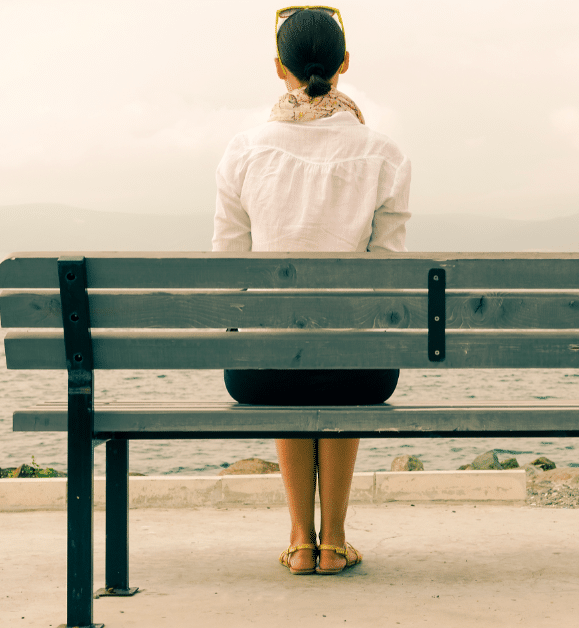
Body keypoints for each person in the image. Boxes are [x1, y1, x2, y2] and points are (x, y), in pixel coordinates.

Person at [212, 6, 411, 575]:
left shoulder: (244, 151)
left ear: (280, 69)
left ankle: (301, 540)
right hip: (363, 371)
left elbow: (227, 264)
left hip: (262, 370)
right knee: (344, 347)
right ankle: (337, 540)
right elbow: (388, 270)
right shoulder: (385, 154)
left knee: (279, 346)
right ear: (345, 63)